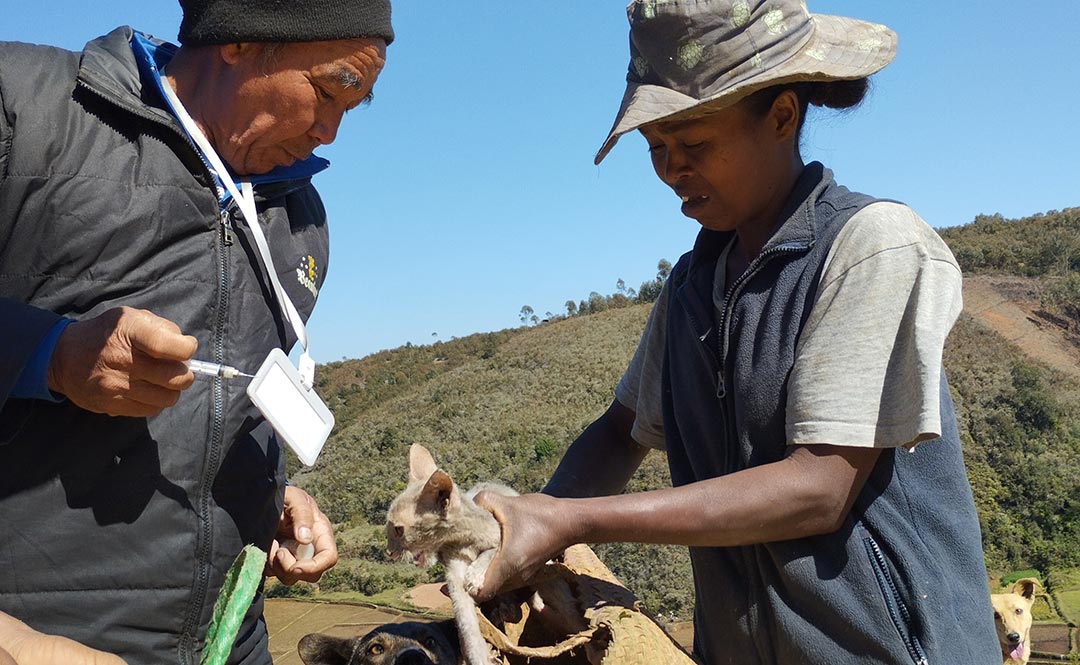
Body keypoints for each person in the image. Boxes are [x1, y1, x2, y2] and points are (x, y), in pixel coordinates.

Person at [473, 1, 1001, 663]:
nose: (671, 169)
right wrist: (526, 520)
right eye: (656, 149)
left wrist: (570, 521)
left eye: (693, 145)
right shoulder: (694, 289)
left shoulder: (872, 246)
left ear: (780, 116)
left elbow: (818, 487)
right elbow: (619, 431)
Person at [0, 1, 392, 663]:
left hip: (234, 644)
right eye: (327, 91)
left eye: (354, 108)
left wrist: (269, 493)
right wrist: (53, 354)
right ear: (239, 37)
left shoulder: (299, 215)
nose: (330, 131)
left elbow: (226, 404)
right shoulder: (27, 111)